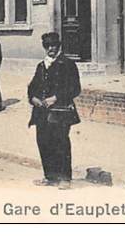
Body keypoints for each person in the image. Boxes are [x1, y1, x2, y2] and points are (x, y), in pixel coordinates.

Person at [27, 31, 82, 189]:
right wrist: (34, 98)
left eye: (54, 45)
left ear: (59, 46)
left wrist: (56, 97)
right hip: (41, 112)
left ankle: (65, 178)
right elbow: (32, 87)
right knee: (43, 142)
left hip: (60, 111)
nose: (51, 48)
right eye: (47, 46)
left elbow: (75, 88)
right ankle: (50, 176)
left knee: (61, 143)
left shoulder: (68, 64)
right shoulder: (41, 65)